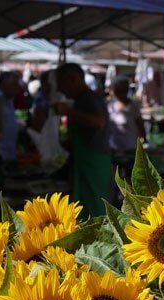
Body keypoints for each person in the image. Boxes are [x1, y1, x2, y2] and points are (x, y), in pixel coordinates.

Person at [54, 63, 111, 218]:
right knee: (85, 210)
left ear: (73, 80)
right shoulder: (82, 99)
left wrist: (68, 111)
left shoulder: (89, 98)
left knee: (95, 212)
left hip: (94, 163)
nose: (59, 89)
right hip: (86, 162)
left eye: (61, 83)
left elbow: (98, 121)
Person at [108, 76, 145, 152]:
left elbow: (140, 125)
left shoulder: (133, 106)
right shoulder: (110, 105)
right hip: (114, 148)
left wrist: (145, 140)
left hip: (130, 148)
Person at [0, 71, 20, 162]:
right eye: (15, 84)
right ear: (5, 84)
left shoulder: (8, 98)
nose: (18, 88)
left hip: (8, 151)